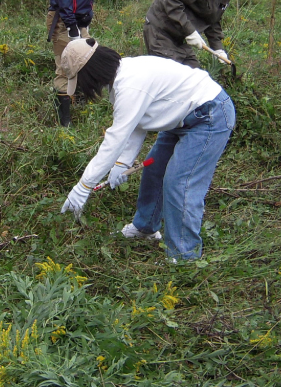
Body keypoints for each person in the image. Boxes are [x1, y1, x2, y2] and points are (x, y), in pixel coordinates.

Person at [58, 38, 235, 263]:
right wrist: (122, 164)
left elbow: (115, 139)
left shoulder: (130, 83)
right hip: (181, 116)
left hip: (209, 115)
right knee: (154, 171)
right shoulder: (123, 76)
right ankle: (146, 228)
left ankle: (184, 258)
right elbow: (137, 124)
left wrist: (84, 186)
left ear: (90, 73)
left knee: (180, 182)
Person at [46, 0, 115, 127]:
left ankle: (82, 103)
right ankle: (64, 124)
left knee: (89, 59)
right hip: (64, 20)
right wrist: (71, 26)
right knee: (64, 66)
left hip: (77, 20)